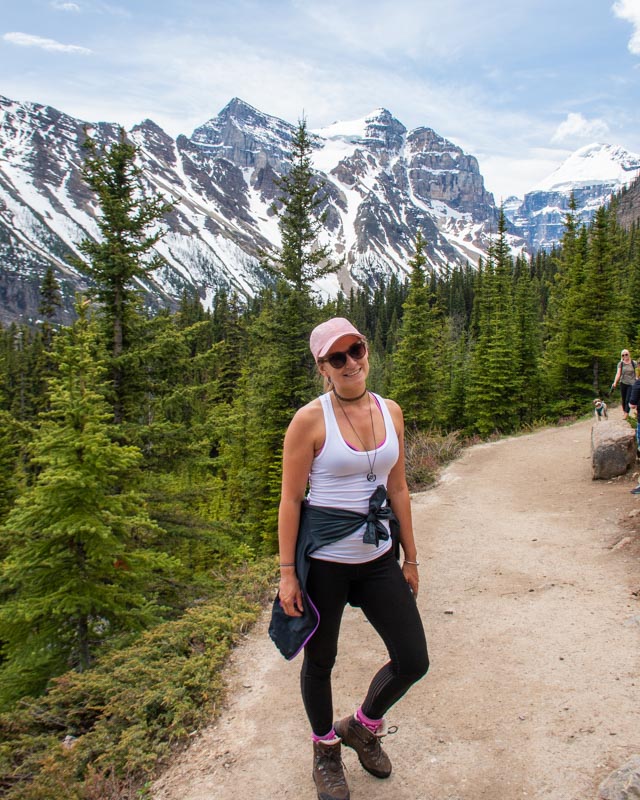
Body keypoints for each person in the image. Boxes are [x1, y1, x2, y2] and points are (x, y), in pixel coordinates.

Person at [275, 317, 429, 800]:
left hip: (379, 554)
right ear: (322, 367)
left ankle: (362, 726)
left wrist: (411, 557)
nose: (350, 363)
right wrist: (286, 574)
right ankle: (325, 750)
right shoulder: (309, 420)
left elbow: (398, 486)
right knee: (320, 661)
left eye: (355, 350)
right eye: (336, 357)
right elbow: (291, 500)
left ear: (366, 349)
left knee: (413, 659)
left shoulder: (392, 411)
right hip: (325, 563)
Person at [611, 349, 637, 420]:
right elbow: (618, 373)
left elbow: (637, 372)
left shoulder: (633, 363)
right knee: (624, 399)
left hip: (631, 383)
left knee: (628, 399)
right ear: (621, 356)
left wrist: (637, 380)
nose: (625, 356)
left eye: (626, 354)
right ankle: (624, 412)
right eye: (623, 355)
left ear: (629, 354)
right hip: (623, 383)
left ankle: (626, 414)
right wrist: (615, 382)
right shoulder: (621, 363)